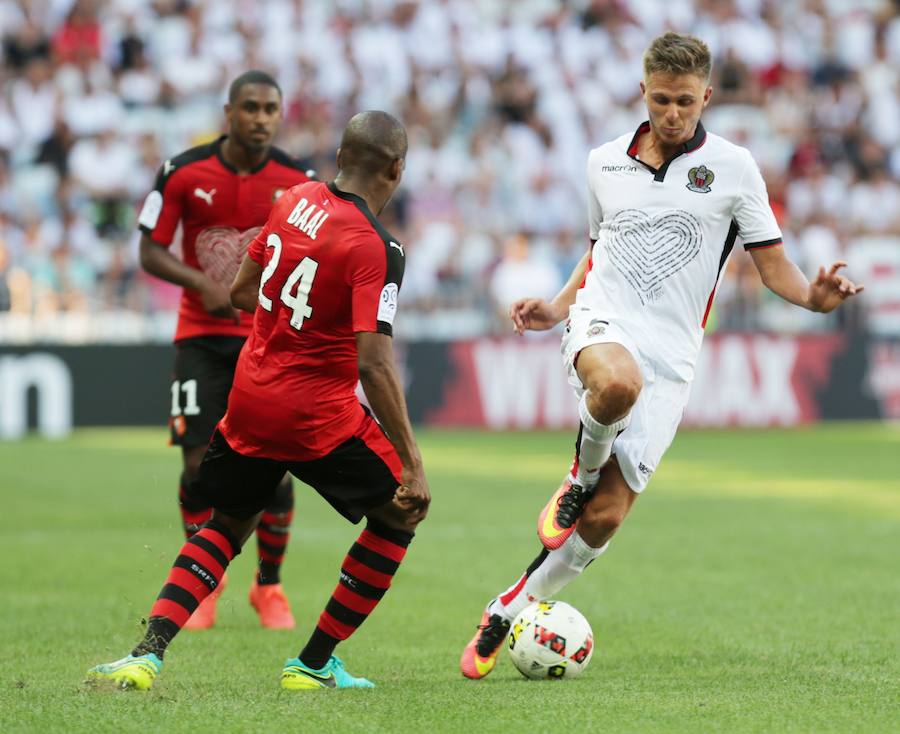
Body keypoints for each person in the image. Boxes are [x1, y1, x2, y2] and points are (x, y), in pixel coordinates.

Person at [460, 31, 864, 680]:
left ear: (707, 96)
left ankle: (511, 605)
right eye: (659, 100)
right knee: (616, 385)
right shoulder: (602, 163)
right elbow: (600, 246)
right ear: (640, 93)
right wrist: (562, 307)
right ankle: (577, 475)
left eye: (684, 101)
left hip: (674, 355)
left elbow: (775, 270)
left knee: (606, 519)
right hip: (604, 320)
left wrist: (815, 299)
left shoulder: (734, 169)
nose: (671, 114)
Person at [88, 110, 429, 692]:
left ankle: (147, 655)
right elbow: (373, 361)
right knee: (401, 512)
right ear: (396, 169)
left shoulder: (293, 198)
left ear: (341, 156)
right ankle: (314, 663)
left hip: (250, 397)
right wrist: (413, 463)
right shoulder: (381, 247)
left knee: (226, 524)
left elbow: (243, 291)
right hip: (317, 414)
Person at [135, 70, 310, 629]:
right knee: (196, 467)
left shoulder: (298, 181)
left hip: (269, 343)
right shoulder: (183, 172)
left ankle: (269, 587)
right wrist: (202, 283)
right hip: (200, 340)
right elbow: (149, 249)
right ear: (229, 112)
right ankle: (206, 583)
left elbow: (317, 252)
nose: (261, 118)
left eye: (270, 109)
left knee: (275, 471)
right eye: (251, 108)